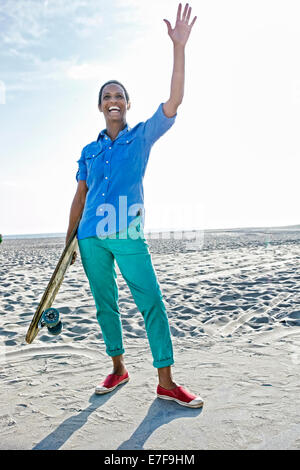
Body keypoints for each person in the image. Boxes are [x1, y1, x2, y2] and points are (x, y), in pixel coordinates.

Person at [66, 3, 203, 408]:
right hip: (90, 236)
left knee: (151, 302)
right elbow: (79, 196)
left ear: (127, 104)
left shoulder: (141, 136)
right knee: (104, 305)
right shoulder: (89, 150)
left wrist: (178, 47)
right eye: (107, 96)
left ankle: (166, 380)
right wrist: (69, 242)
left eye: (119, 96)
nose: (113, 100)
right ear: (100, 106)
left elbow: (175, 99)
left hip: (126, 233)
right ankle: (118, 367)